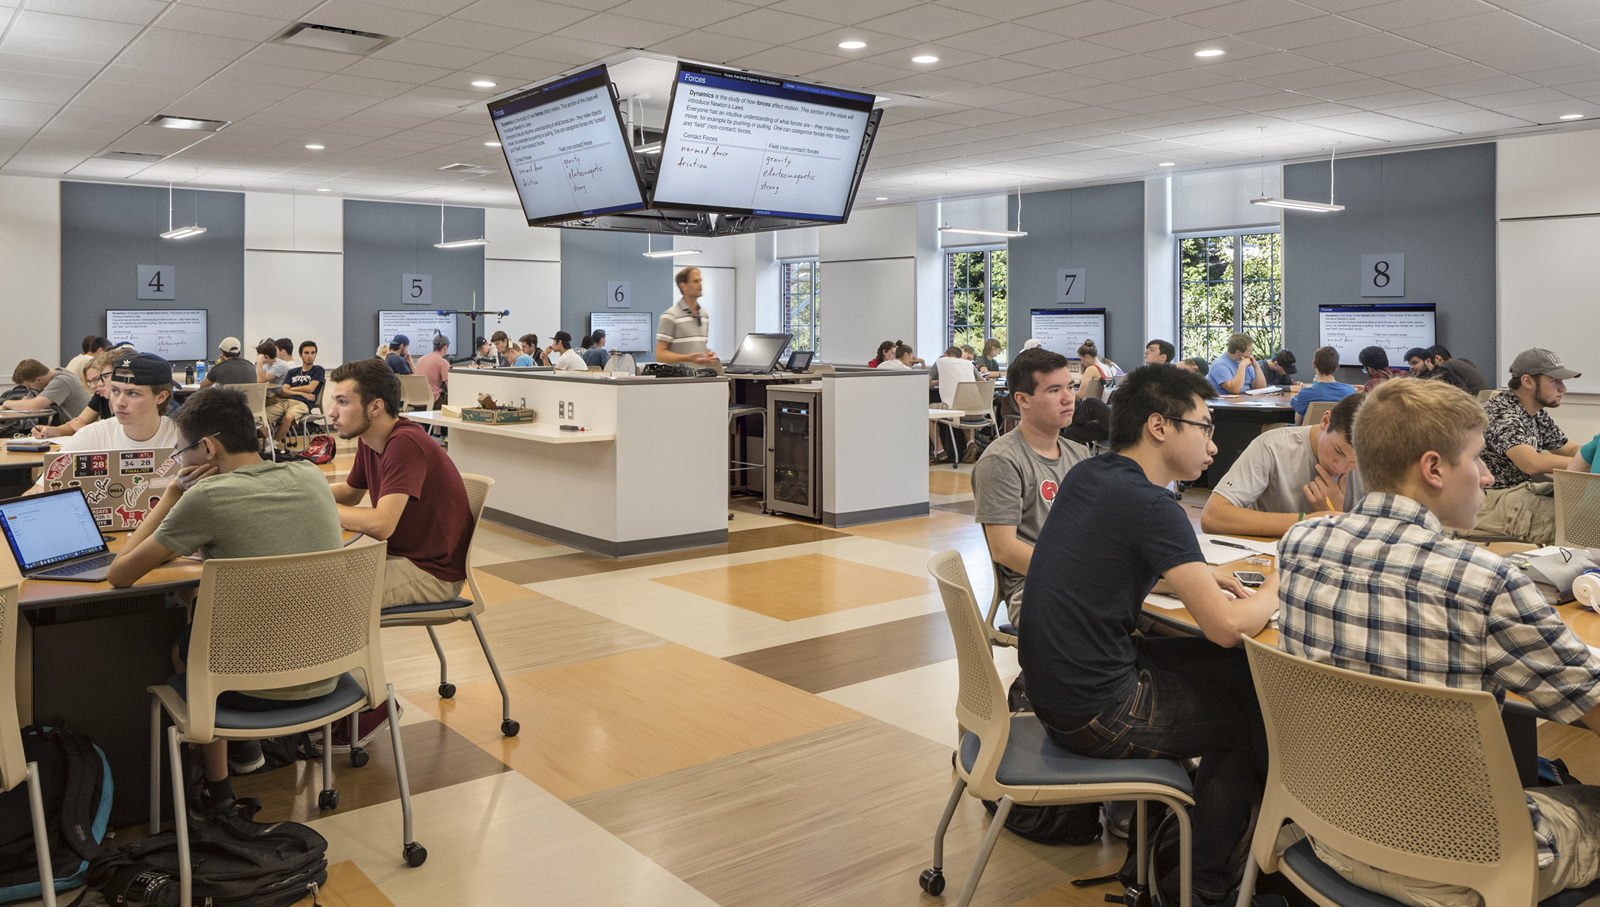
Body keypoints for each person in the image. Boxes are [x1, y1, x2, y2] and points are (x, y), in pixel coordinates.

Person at [1276, 377, 1600, 907]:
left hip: (1325, 829)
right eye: (1477, 459)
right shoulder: (1485, 581)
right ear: (1433, 468)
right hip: (1461, 864)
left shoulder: (1300, 544)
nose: (1488, 475)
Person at [1021, 364, 1276, 907]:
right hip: (1096, 712)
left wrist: (1202, 575)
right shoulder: (1154, 504)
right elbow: (1227, 627)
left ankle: (1173, 859)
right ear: (1160, 427)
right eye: (1204, 427)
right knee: (1252, 725)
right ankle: (1203, 886)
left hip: (1054, 691)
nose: (1213, 441)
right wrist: (1279, 584)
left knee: (1243, 673)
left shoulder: (1093, 474)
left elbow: (1109, 555)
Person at [106, 385, 344, 814]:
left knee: (188, 646)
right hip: (330, 673)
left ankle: (219, 793)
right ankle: (247, 753)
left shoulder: (205, 496)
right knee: (202, 600)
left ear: (209, 449)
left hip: (253, 687)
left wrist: (175, 493)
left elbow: (120, 572)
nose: (182, 461)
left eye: (182, 453)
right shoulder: (310, 475)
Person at [326, 359, 472, 607]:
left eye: (342, 402)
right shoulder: (370, 438)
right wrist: (304, 496)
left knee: (323, 598)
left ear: (375, 407)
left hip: (431, 572)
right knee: (312, 580)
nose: (332, 412)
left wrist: (321, 508)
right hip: (402, 557)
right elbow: (351, 492)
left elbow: (382, 525)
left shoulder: (405, 444)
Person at [972, 348, 1092, 628]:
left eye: (1070, 387)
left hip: (1086, 580)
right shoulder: (1002, 460)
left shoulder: (1078, 453)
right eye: (1054, 390)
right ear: (1022, 400)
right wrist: (1083, 573)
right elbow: (1004, 549)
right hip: (1035, 590)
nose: (1068, 398)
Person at [1201, 393, 1365, 538]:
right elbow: (1212, 517)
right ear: (1325, 421)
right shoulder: (1271, 446)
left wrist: (1338, 518)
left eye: (1355, 462)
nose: (1340, 467)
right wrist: (1308, 521)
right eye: (1338, 451)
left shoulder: (1375, 465)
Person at [29, 353, 182, 493]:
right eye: (115, 391)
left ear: (161, 397)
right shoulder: (90, 436)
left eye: (133, 393)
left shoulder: (184, 437)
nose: (119, 402)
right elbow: (40, 489)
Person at [1476, 348, 1581, 545]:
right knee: (1583, 524)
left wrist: (1595, 452)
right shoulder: (1501, 412)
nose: (1563, 387)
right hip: (1493, 498)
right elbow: (1531, 463)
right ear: (1527, 382)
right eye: (1555, 381)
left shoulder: (1535, 411)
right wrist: (1583, 463)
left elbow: (1568, 449)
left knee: (1587, 508)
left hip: (1520, 489)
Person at [32, 349, 117, 439]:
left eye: (97, 379)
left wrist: (84, 430)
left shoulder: (125, 402)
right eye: (90, 382)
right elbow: (76, 423)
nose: (93, 386)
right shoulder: (100, 395)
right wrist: (51, 431)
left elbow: (115, 437)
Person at [2, 358, 89, 424]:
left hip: (73, 430)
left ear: (39, 380)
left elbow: (33, 406)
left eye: (28, 386)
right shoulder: (59, 372)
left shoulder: (61, 381)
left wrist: (6, 403)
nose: (29, 389)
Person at [657, 267, 716, 365]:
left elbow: (696, 348)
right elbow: (660, 354)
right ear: (684, 286)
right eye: (695, 281)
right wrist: (688, 358)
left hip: (700, 378)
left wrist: (708, 354)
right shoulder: (670, 316)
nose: (700, 284)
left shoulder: (704, 316)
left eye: (700, 280)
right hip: (678, 379)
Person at [268, 340, 321, 443]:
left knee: (288, 417)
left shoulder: (318, 370)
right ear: (300, 355)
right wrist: (301, 392)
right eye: (306, 353)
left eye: (313, 353)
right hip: (285, 401)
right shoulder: (292, 372)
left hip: (303, 403)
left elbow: (310, 389)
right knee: (261, 418)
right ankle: (265, 442)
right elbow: (283, 392)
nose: (310, 356)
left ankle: (272, 446)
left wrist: (291, 389)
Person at [1289, 345, 1358, 422]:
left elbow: (1298, 425)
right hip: (1338, 433)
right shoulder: (1350, 391)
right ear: (1337, 367)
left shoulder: (1304, 394)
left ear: (1314, 364)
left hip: (1311, 433)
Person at [1405, 345, 1487, 396]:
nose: (1411, 368)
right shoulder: (1462, 361)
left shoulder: (1444, 369)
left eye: (1414, 363)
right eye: (1410, 364)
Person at [415, 335, 450, 406]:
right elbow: (450, 387)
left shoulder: (421, 359)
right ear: (445, 347)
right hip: (433, 402)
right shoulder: (443, 362)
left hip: (416, 402)